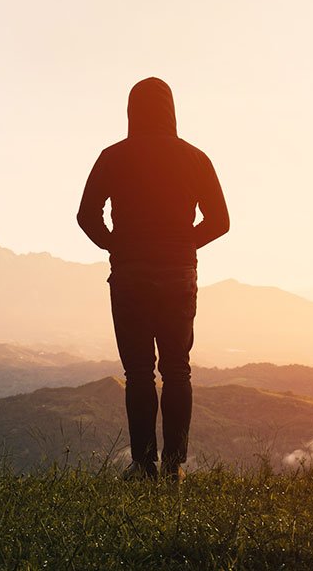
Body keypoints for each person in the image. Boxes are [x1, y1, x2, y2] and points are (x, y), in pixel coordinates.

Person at [77, 77, 229, 481]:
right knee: (178, 370)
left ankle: (143, 466)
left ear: (131, 111)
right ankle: (175, 467)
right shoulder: (196, 158)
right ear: (171, 110)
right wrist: (183, 245)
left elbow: (86, 216)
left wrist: (116, 246)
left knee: (139, 372)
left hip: (130, 276)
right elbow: (221, 221)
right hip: (179, 274)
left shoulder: (113, 156)